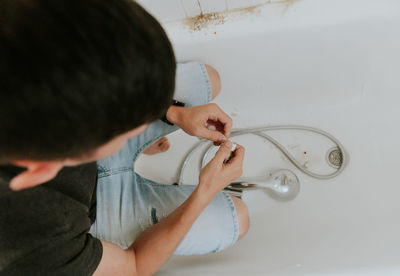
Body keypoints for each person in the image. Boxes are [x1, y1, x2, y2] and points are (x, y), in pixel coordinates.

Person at [0, 0, 250, 275]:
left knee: (207, 80)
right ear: (39, 169)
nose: (143, 125)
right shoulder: (33, 243)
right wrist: (205, 191)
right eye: (127, 130)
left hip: (77, 164)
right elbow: (134, 265)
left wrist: (173, 114)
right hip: (92, 223)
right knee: (238, 218)